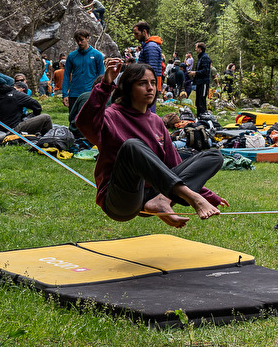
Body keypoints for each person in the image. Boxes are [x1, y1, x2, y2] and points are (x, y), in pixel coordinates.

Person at [76, 58, 226, 227]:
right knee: (132, 145)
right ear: (128, 88)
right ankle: (191, 198)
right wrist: (105, 85)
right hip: (121, 200)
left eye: (153, 83)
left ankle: (162, 200)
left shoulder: (156, 121)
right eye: (142, 83)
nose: (150, 88)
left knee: (214, 155)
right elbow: (84, 123)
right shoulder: (112, 115)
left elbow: (174, 165)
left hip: (154, 194)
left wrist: (208, 194)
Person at [62, 30, 106, 123]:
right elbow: (66, 75)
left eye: (81, 40)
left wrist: (100, 93)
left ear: (87, 38)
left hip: (90, 93)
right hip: (74, 93)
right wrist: (65, 94)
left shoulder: (97, 55)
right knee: (73, 121)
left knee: (90, 121)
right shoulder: (72, 56)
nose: (79, 43)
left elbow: (101, 76)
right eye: (77, 41)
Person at [133, 22, 165, 110]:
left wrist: (149, 85)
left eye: (137, 34)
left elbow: (151, 69)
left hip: (149, 85)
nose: (135, 36)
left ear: (144, 32)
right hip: (148, 84)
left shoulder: (151, 47)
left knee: (148, 111)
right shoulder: (148, 45)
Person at [189, 42, 212, 116]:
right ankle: (199, 116)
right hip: (199, 82)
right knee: (198, 100)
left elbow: (205, 71)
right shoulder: (200, 57)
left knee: (202, 99)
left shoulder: (205, 57)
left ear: (200, 49)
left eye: (196, 48)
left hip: (204, 82)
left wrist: (195, 73)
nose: (195, 49)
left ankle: (203, 115)